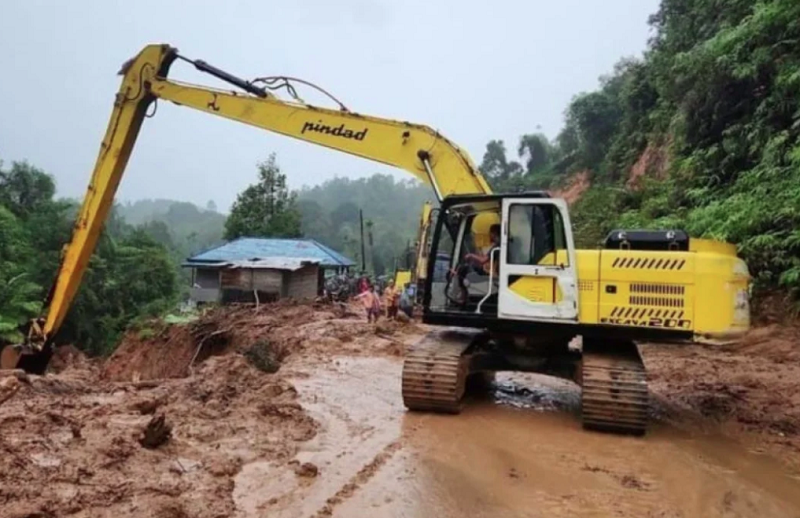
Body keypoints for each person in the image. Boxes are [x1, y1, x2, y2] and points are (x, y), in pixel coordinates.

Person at [450, 223, 501, 305]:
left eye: (490, 233)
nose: (489, 235)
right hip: (494, 272)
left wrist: (471, 255)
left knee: (463, 270)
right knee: (469, 268)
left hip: (493, 275)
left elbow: (483, 260)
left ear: (494, 233)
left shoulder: (497, 247)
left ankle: (463, 296)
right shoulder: (499, 245)